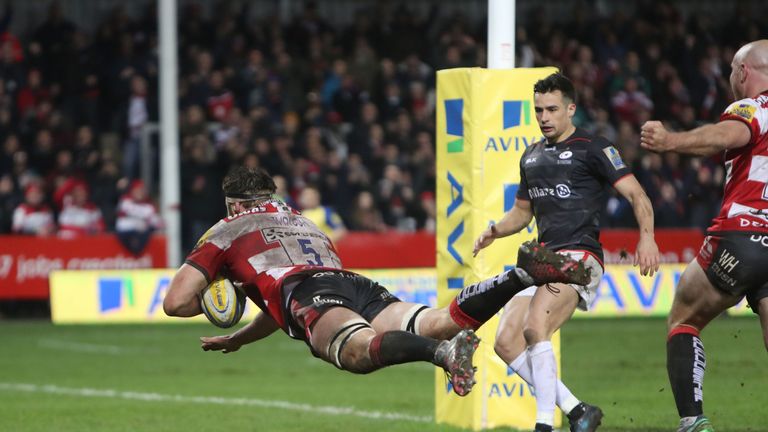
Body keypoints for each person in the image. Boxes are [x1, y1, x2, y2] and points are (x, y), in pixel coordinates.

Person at [163, 166, 591, 397]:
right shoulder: (306, 224)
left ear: (234, 203)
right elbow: (279, 311)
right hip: (347, 283)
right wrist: (241, 336)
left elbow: (176, 302)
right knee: (440, 320)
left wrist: (222, 294)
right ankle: (519, 275)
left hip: (305, 291)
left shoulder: (225, 230)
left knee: (356, 352)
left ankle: (444, 354)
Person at [473, 73, 660, 432]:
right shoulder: (531, 156)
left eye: (552, 109)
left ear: (571, 109)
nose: (544, 117)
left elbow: (638, 195)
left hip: (580, 259)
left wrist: (647, 238)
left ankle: (544, 425)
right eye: (538, 110)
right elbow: (522, 213)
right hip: (543, 261)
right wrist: (494, 231)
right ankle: (577, 411)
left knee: (534, 326)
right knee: (505, 342)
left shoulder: (594, 148)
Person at [640, 39, 768, 432]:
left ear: (743, 72)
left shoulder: (754, 107)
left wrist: (670, 142)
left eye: (732, 70)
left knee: (683, 320)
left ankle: (693, 421)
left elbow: (726, 135)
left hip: (743, 236)